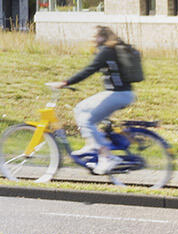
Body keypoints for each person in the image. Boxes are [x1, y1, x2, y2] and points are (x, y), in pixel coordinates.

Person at [53, 25, 144, 171]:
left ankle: (107, 157)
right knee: (81, 109)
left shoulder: (107, 50)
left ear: (102, 37)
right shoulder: (112, 50)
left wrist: (66, 82)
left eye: (95, 36)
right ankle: (92, 145)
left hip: (117, 94)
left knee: (87, 120)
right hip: (122, 94)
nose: (93, 39)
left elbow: (89, 70)